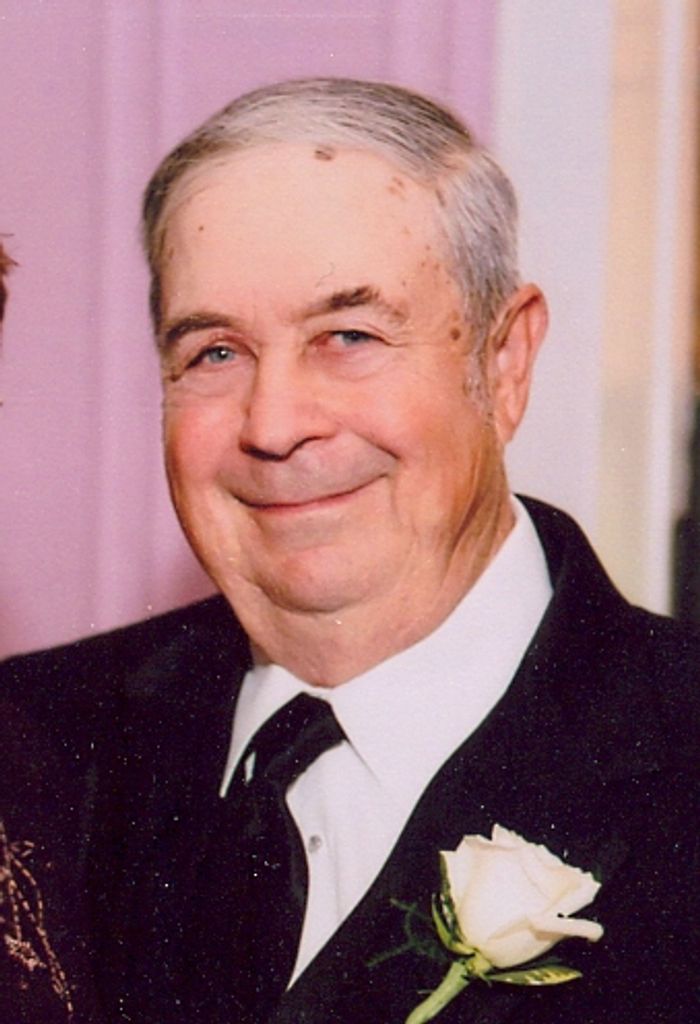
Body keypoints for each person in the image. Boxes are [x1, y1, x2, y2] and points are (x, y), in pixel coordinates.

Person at [1, 79, 698, 1023]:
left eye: (348, 336)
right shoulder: (29, 748)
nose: (274, 424)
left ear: (504, 362)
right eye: (215, 353)